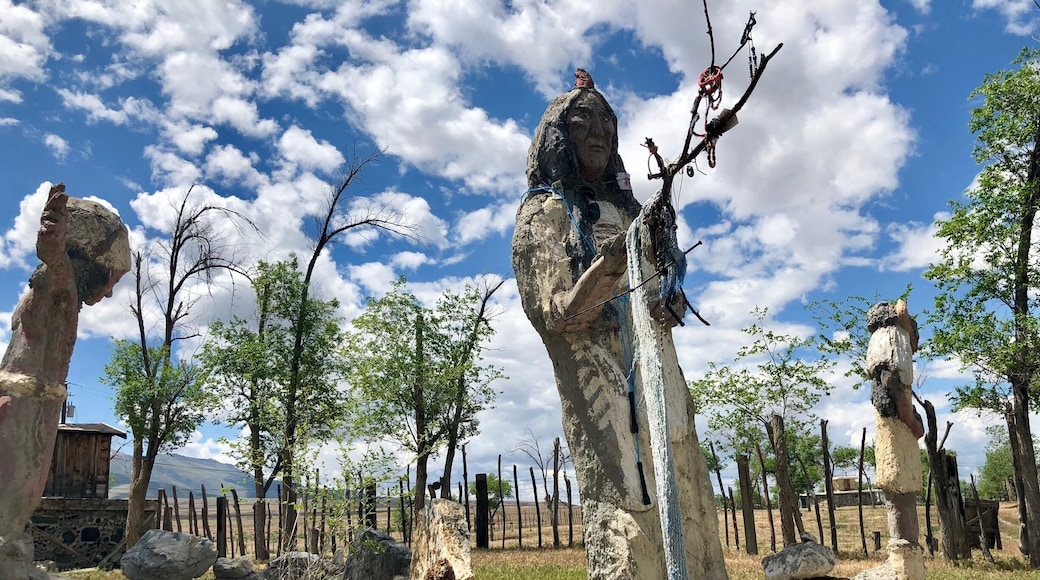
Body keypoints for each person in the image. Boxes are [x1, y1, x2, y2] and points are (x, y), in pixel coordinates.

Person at [512, 72, 725, 579]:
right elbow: (556, 312)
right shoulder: (544, 214)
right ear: (557, 135)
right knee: (629, 506)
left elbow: (658, 287)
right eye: (583, 120)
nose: (598, 132)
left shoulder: (633, 214)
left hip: (660, 373)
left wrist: (668, 300)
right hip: (600, 374)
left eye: (607, 122)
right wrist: (606, 271)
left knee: (686, 487)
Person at [0, 184, 130, 580]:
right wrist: (53, 234)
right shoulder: (62, 284)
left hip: (32, 400)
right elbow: (55, 259)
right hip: (28, 403)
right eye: (112, 279)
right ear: (94, 263)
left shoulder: (60, 294)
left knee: (18, 501)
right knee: (14, 498)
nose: (108, 295)